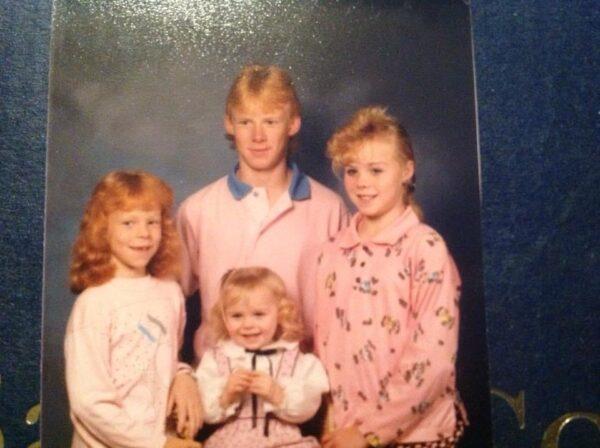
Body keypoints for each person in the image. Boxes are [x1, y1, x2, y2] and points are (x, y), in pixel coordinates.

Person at [315, 107, 467, 448]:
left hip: (415, 436)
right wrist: (330, 417)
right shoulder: (333, 250)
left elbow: (433, 359)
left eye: (376, 170)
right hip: (343, 433)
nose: (362, 182)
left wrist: (369, 434)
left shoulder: (425, 248)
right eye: (352, 170)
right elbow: (325, 344)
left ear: (406, 170)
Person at [177, 64, 347, 358]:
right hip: (218, 389)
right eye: (245, 122)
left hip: (301, 388)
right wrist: (179, 372)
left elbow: (347, 311)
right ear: (229, 124)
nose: (258, 136)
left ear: (292, 124)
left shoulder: (329, 210)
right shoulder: (198, 210)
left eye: (270, 122)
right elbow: (161, 301)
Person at [64, 171, 202, 448]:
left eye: (152, 222)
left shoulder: (169, 293)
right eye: (128, 223)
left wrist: (184, 375)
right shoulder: (95, 304)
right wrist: (157, 444)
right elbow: (90, 403)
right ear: (102, 229)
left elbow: (163, 357)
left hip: (163, 437)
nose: (143, 234)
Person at [196, 267, 329, 448]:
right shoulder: (217, 359)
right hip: (231, 442)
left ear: (279, 314)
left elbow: (308, 408)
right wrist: (227, 394)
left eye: (259, 315)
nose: (248, 324)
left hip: (284, 441)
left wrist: (277, 393)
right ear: (224, 318)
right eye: (237, 316)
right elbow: (204, 411)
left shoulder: (294, 359)